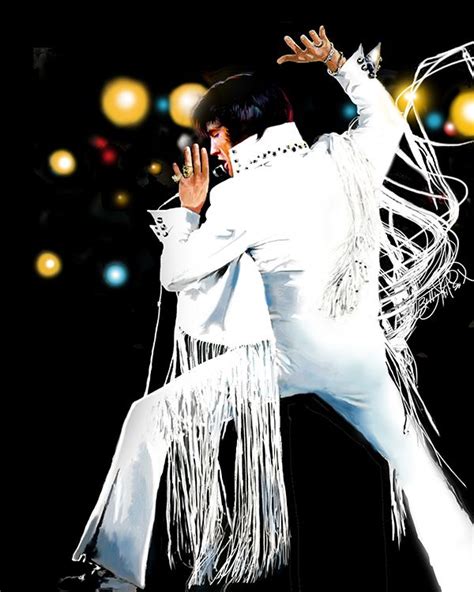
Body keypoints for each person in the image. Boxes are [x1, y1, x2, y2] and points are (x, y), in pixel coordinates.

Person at [66, 27, 473, 592]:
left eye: (214, 134)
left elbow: (177, 274)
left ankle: (116, 574)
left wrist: (188, 213)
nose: (211, 150)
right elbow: (383, 115)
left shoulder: (240, 196)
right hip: (363, 362)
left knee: (149, 418)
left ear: (242, 129)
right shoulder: (348, 155)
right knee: (423, 479)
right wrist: (336, 62)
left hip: (283, 362)